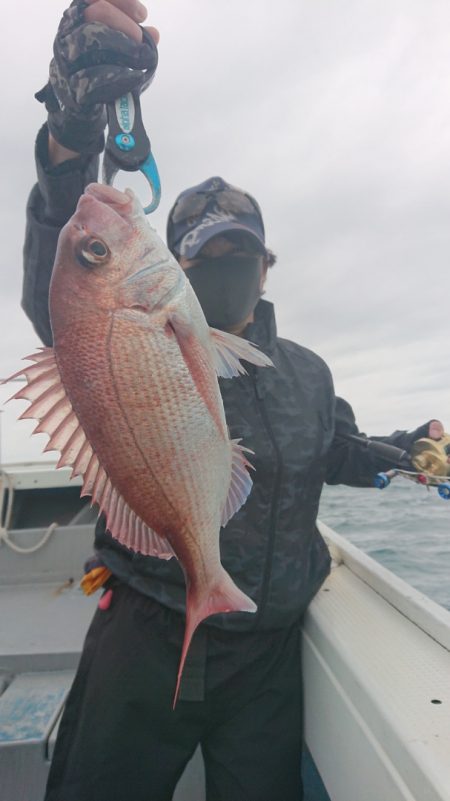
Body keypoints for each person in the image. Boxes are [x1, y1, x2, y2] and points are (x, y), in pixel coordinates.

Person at [22, 2, 445, 800]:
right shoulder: (128, 325)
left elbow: (340, 447)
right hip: (143, 628)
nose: (227, 267)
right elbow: (67, 289)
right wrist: (71, 136)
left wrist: (412, 444)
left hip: (267, 656)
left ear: (266, 264)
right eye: (206, 253)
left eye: (240, 253)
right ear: (173, 265)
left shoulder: (308, 373)